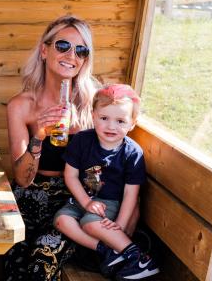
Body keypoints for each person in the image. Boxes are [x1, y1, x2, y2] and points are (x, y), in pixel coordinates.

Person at [4, 15, 99, 281]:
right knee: (15, 267)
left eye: (81, 50)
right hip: (27, 201)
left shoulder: (93, 107)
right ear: (44, 51)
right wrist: (39, 135)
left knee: (40, 264)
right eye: (63, 46)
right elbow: (23, 178)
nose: (72, 55)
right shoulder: (21, 105)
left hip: (71, 204)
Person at [53, 84, 159, 280]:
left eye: (120, 121)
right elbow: (71, 176)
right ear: (93, 116)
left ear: (132, 123)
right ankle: (109, 252)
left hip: (110, 203)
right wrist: (86, 202)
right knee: (61, 220)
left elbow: (131, 194)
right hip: (82, 199)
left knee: (89, 223)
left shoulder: (132, 153)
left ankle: (139, 259)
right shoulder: (82, 141)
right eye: (104, 118)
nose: (111, 126)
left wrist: (119, 224)